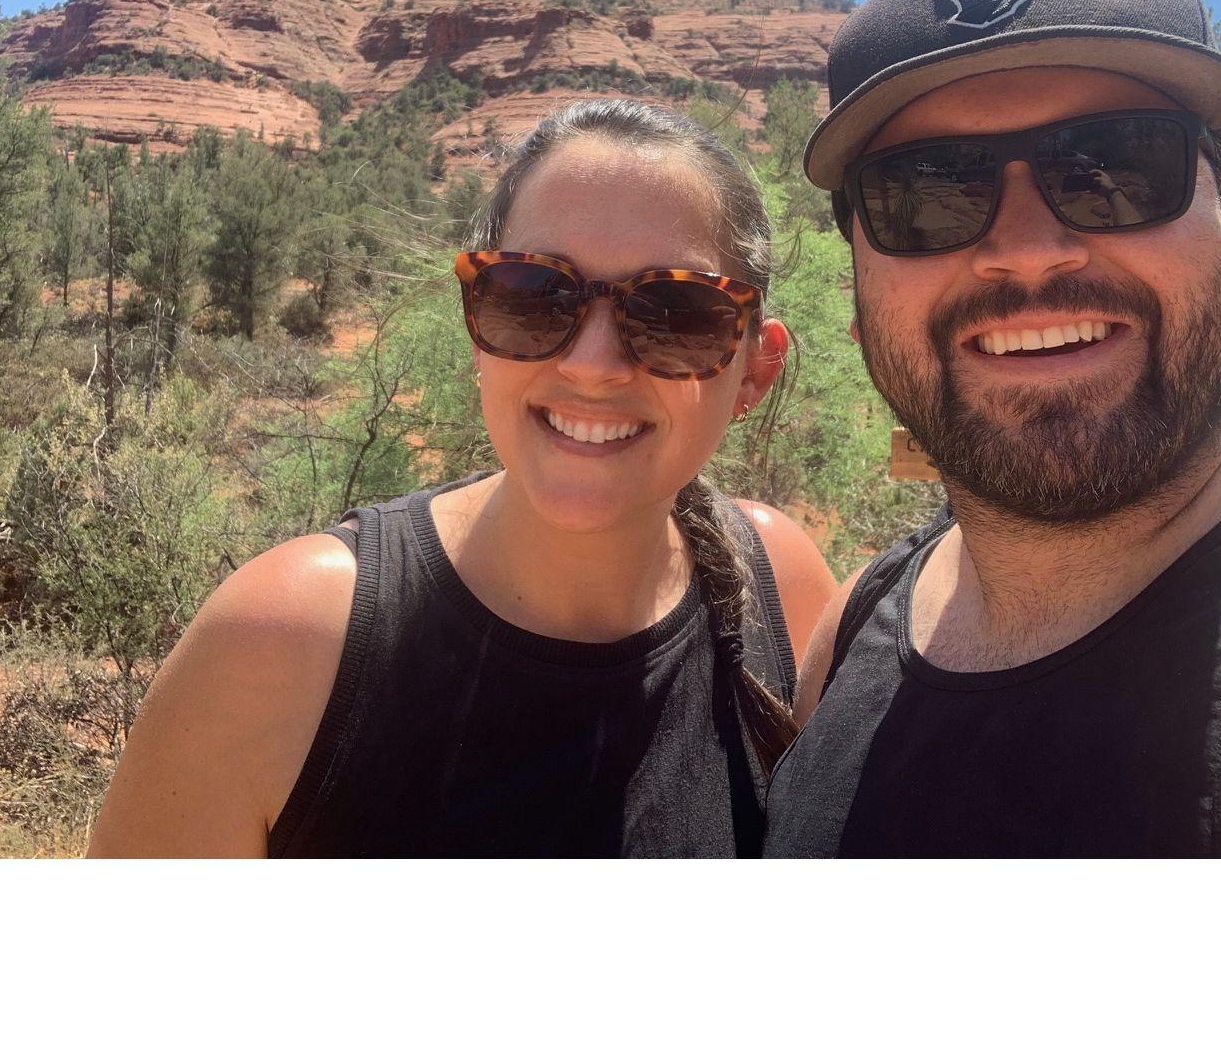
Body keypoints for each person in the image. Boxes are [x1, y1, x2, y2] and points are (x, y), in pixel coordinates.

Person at [89, 98, 836, 857]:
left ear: (755, 371)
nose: (591, 364)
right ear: (477, 328)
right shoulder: (284, 640)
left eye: (676, 311)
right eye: (534, 296)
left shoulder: (781, 584)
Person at [764, 0, 1221, 859]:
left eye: (1115, 166)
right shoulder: (851, 633)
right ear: (859, 285)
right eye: (926, 193)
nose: (1026, 249)